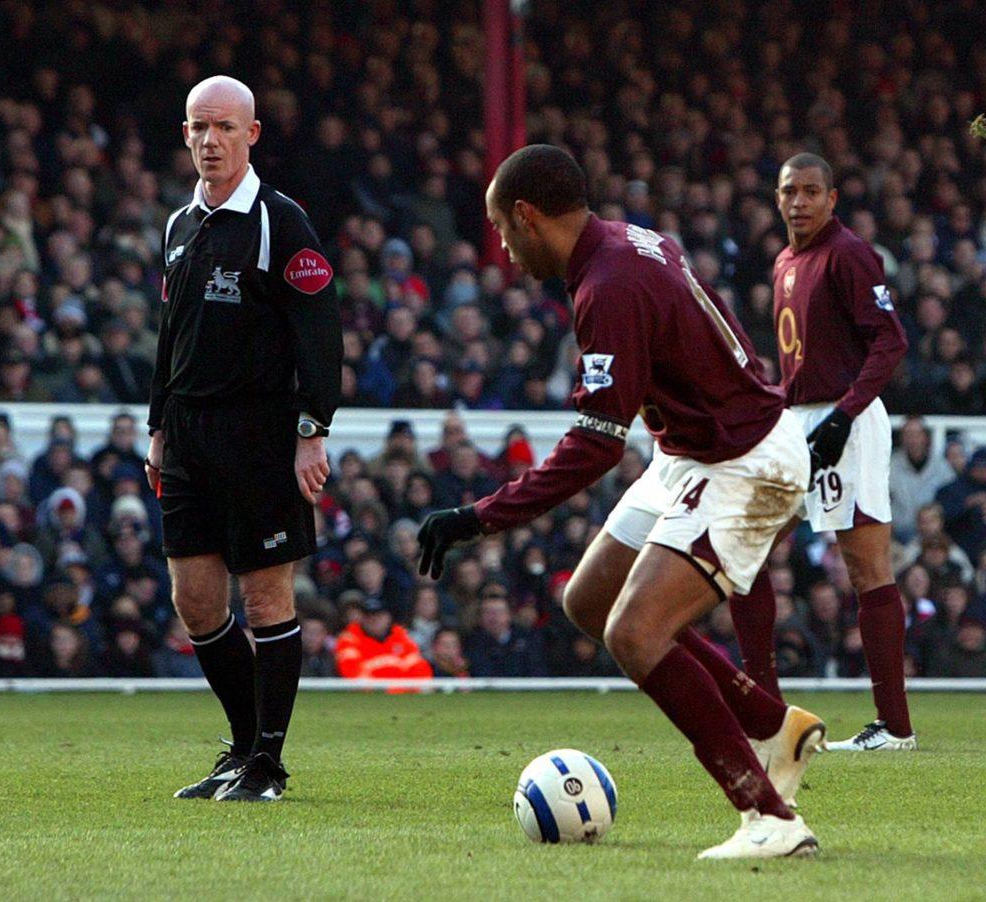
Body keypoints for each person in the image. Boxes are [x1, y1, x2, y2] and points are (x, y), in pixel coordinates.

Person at [418, 145, 822, 859]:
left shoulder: (607, 287)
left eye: (503, 234)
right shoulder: (631, 239)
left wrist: (480, 517)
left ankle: (769, 817)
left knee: (634, 633)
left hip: (744, 463)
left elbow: (597, 447)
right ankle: (771, 724)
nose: (505, 253)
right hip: (695, 449)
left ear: (526, 216)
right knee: (590, 602)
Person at [144, 76, 342, 802]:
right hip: (188, 437)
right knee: (194, 599)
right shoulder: (177, 226)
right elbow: (170, 338)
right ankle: (241, 747)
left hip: (260, 436)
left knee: (266, 599)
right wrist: (158, 427)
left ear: (252, 134)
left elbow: (320, 334)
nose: (209, 141)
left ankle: (269, 764)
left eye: (224, 127)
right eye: (198, 127)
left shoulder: (279, 223)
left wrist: (311, 430)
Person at [728, 153, 916, 752]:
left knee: (866, 569)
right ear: (777, 198)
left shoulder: (850, 253)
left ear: (832, 198)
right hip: (799, 420)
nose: (800, 202)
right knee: (746, 551)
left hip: (848, 421)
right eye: (791, 192)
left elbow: (891, 341)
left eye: (812, 191)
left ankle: (895, 728)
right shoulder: (786, 259)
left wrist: (846, 414)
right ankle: (766, 717)